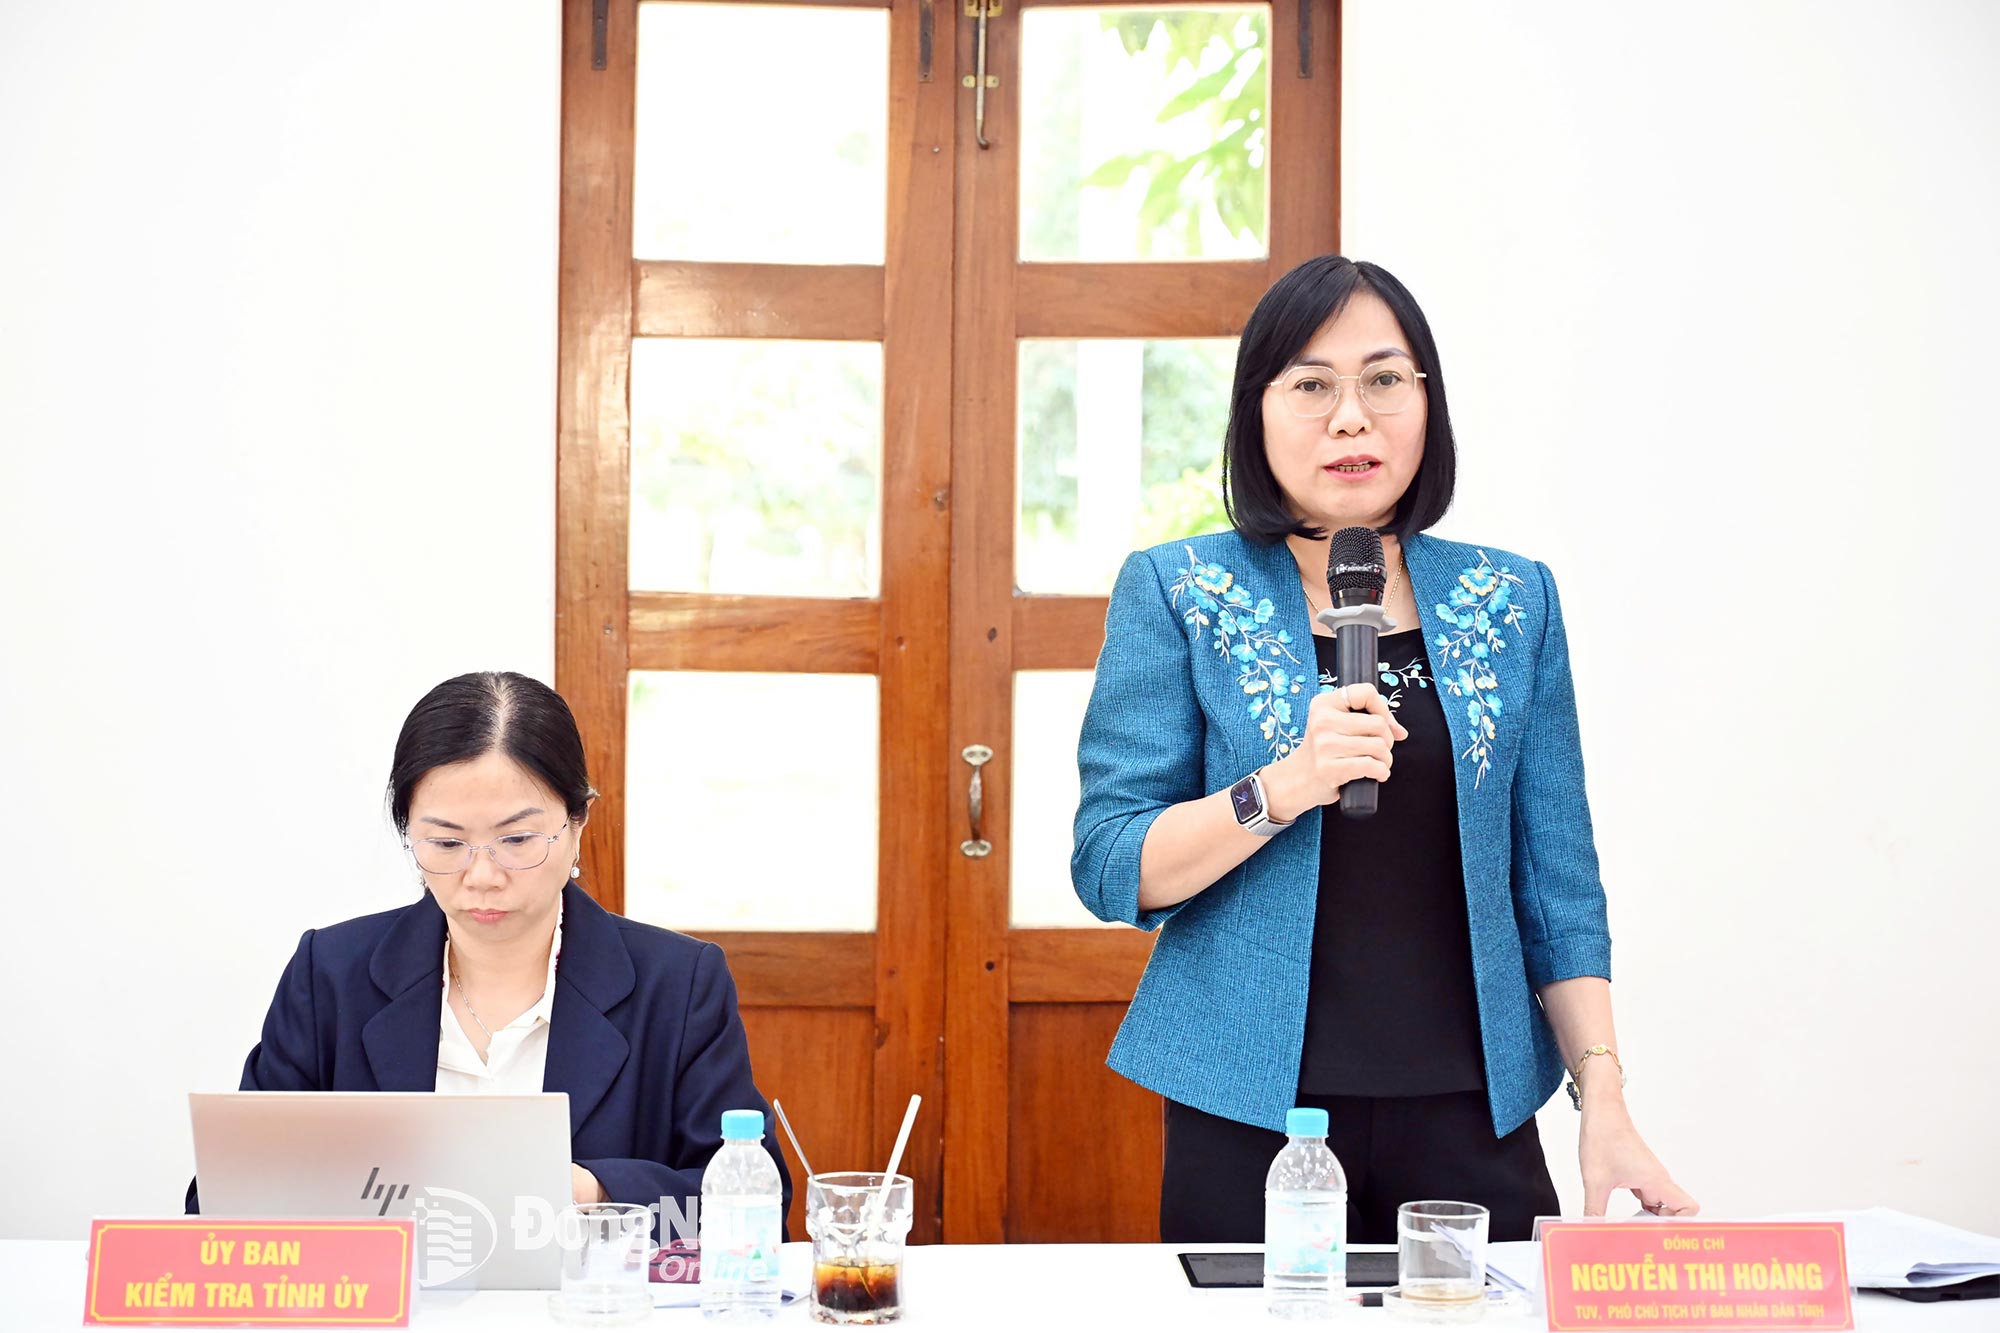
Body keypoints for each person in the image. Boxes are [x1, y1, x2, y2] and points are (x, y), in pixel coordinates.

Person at [1071, 255, 1694, 1244]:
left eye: (1382, 379)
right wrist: (1278, 788)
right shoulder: (1179, 592)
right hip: (1246, 1111)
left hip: (1469, 1105)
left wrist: (1602, 1098)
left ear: (1423, 404)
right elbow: (1111, 865)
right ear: (1257, 411)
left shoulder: (1510, 599)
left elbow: (1555, 885)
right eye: (1310, 384)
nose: (1350, 416)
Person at [187, 670, 788, 1222]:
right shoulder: (332, 976)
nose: (482, 876)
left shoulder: (678, 985)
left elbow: (756, 1197)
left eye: (517, 839)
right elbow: (224, 1193)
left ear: (578, 824)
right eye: (446, 845)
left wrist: (591, 1192)